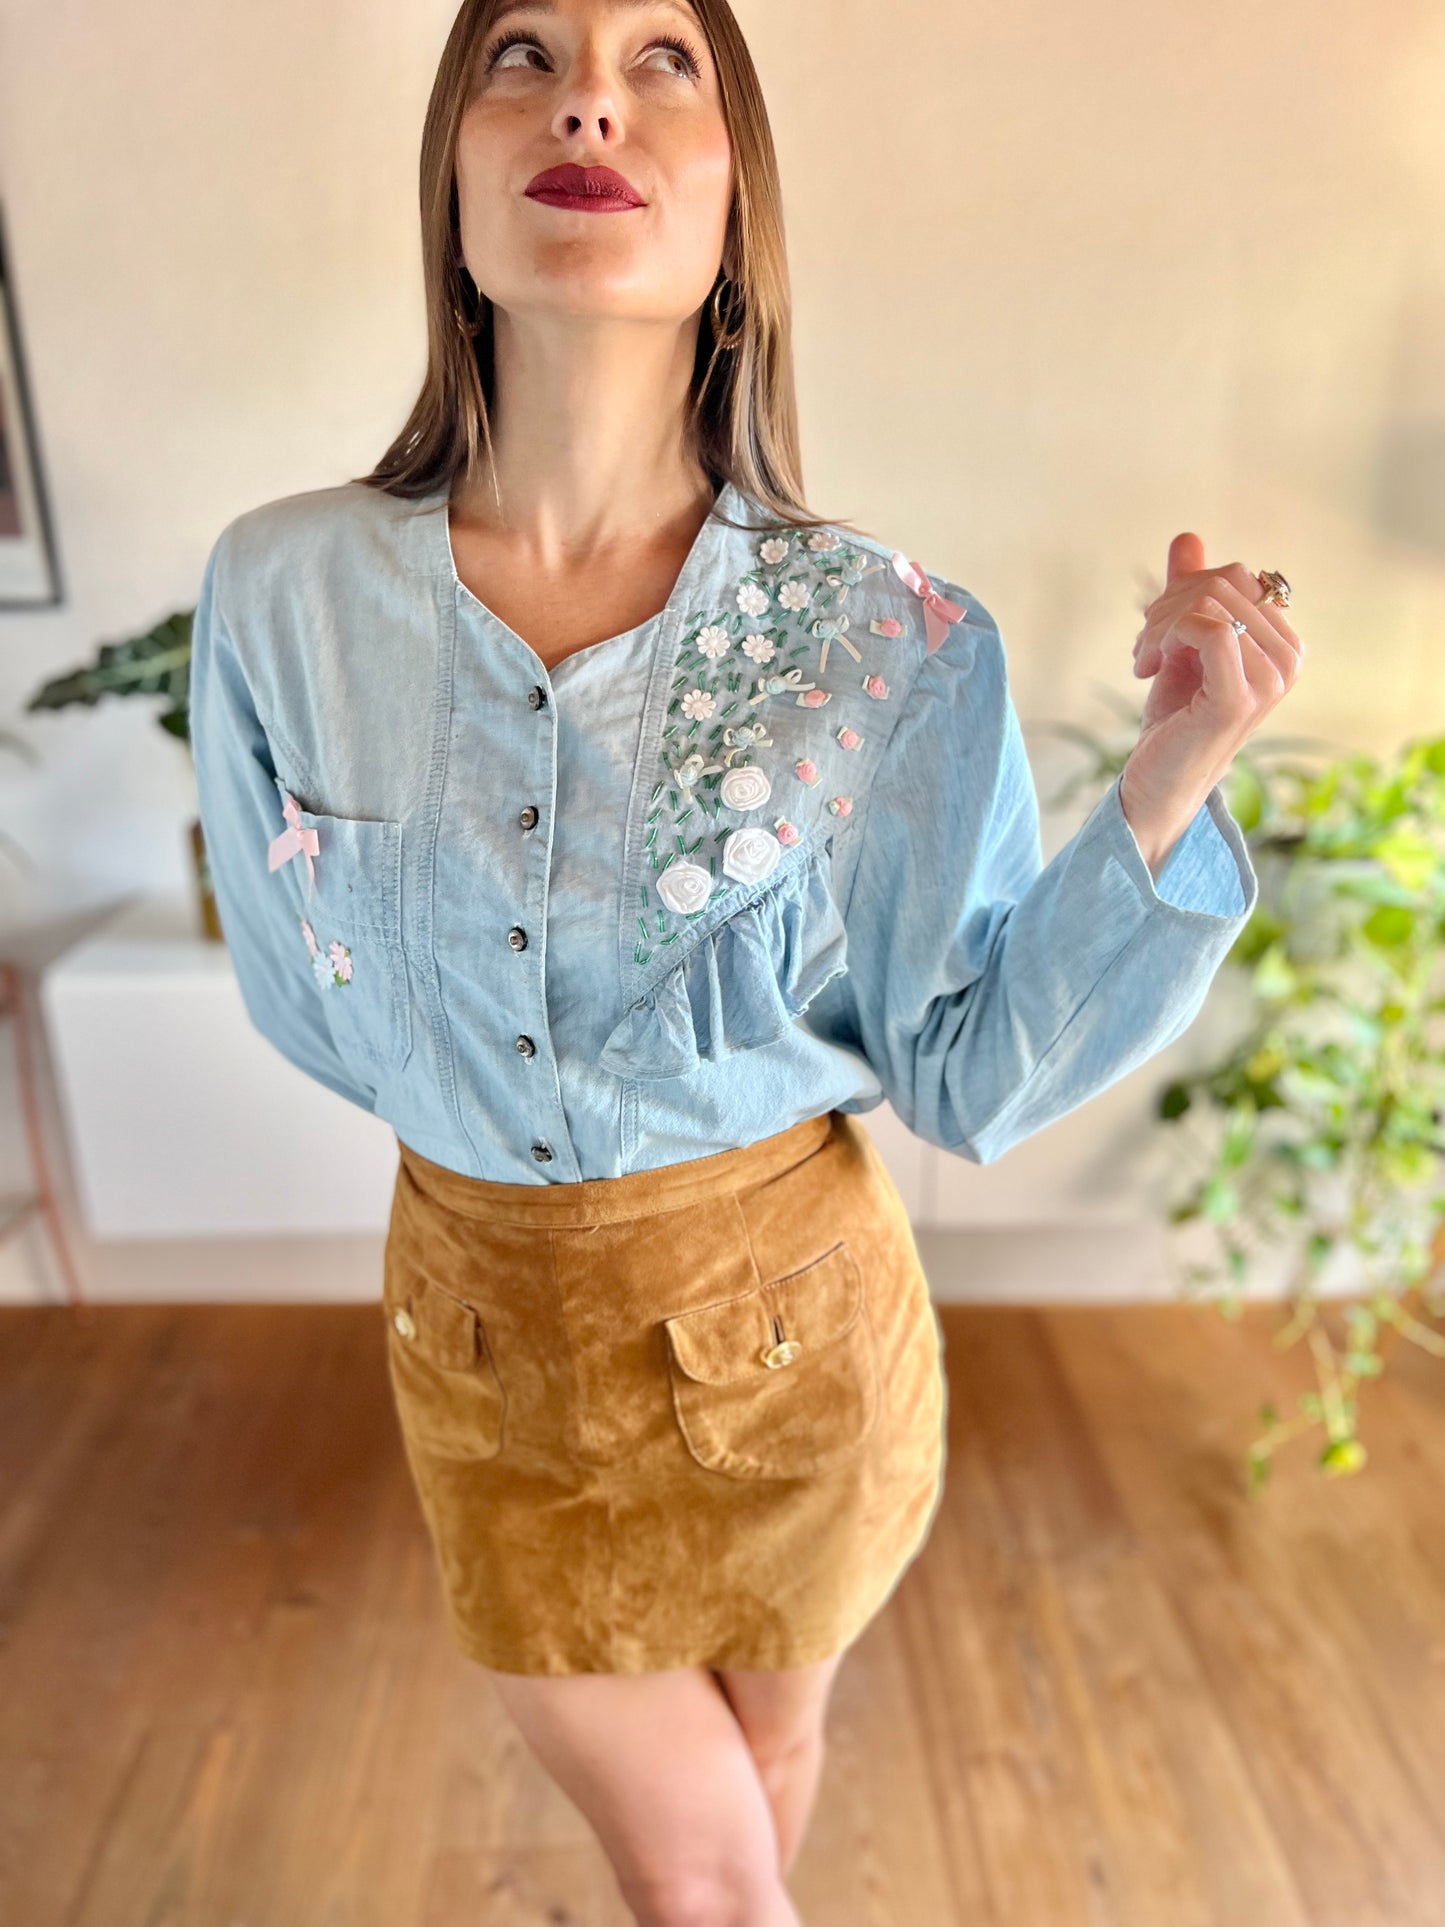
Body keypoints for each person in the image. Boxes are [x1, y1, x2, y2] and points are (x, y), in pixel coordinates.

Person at [188, 1, 1303, 1919]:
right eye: (519, 55)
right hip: (482, 1361)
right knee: (707, 1884)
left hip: (801, 1355)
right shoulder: (282, 596)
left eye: (660, 61)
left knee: (769, 1772)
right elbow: (308, 1000)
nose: (587, 96)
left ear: (731, 220)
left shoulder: (878, 636)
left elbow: (959, 1069)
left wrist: (1177, 766)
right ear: (451, 183)